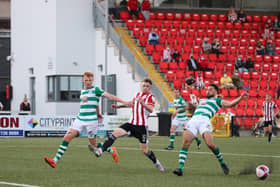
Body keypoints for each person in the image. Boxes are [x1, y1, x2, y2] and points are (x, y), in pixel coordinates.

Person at [44, 71, 129, 168]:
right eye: (86, 80)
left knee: (94, 145)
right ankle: (54, 160)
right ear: (83, 80)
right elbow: (95, 103)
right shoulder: (82, 91)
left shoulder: (96, 90)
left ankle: (111, 150)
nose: (88, 82)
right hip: (80, 119)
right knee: (67, 137)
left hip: (91, 121)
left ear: (92, 80)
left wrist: (124, 102)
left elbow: (109, 96)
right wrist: (98, 112)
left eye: (90, 80)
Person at [173, 84, 249, 176]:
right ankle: (180, 168)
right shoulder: (202, 100)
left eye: (211, 89)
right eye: (208, 89)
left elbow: (231, 104)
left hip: (204, 121)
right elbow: (194, 108)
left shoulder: (218, 100)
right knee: (185, 142)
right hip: (193, 120)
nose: (208, 91)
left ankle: (222, 162)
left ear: (216, 92)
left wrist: (241, 97)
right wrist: (190, 105)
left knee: (210, 144)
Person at [93, 78, 165, 172]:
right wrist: (119, 106)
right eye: (144, 85)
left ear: (150, 88)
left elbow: (151, 110)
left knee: (145, 151)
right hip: (131, 124)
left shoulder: (151, 97)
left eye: (147, 86)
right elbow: (132, 104)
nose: (145, 87)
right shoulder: (137, 94)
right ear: (141, 86)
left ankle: (157, 163)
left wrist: (143, 103)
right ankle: (101, 150)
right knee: (115, 133)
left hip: (141, 127)